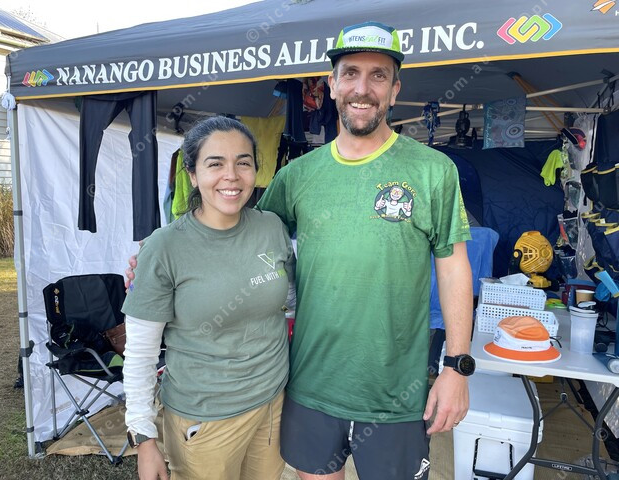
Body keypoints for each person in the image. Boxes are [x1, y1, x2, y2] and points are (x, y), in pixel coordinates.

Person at [127, 21, 473, 480]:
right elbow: (239, 230)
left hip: (395, 392)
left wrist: (456, 367)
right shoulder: (298, 176)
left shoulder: (434, 170)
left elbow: (453, 266)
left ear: (395, 90)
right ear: (331, 85)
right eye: (350, 74)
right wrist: (161, 255)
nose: (362, 89)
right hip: (309, 388)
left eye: (378, 75)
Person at [122, 116, 295, 480]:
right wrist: (144, 437)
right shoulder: (164, 248)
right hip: (205, 419)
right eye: (215, 164)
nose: (231, 176)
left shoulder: (271, 227)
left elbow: (290, 299)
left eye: (243, 163)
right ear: (192, 174)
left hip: (273, 405)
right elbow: (140, 355)